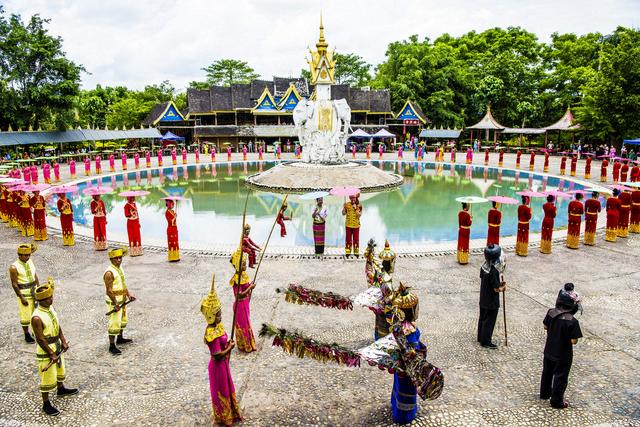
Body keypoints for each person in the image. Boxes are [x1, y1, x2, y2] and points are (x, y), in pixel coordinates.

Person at [31, 278, 78, 416]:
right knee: (47, 376)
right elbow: (40, 338)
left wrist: (63, 340)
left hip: (56, 344)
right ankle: (46, 403)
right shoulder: (37, 317)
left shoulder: (50, 308)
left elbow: (57, 325)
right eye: (47, 299)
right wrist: (51, 353)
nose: (50, 300)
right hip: (46, 348)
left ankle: (61, 388)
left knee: (59, 369)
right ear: (40, 300)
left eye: (51, 297)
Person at [201, 274, 242, 426]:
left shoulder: (219, 327)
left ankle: (231, 413)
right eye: (218, 314)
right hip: (217, 366)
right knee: (222, 391)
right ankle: (224, 417)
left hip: (223, 365)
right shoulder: (210, 332)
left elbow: (223, 344)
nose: (220, 316)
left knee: (228, 387)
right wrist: (230, 347)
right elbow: (217, 355)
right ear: (211, 316)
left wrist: (228, 343)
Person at [540, 283, 583, 409]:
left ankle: (545, 393)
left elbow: (545, 326)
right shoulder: (572, 321)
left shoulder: (551, 313)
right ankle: (556, 401)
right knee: (560, 376)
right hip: (563, 354)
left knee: (547, 372)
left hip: (549, 349)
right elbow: (573, 341)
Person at [104, 247, 136, 355]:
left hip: (122, 298)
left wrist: (128, 295)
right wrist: (115, 303)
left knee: (122, 320)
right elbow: (109, 291)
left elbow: (123, 284)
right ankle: (112, 345)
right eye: (116, 258)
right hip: (114, 301)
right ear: (111, 259)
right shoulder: (109, 273)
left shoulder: (120, 268)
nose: (119, 260)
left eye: (120, 258)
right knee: (114, 322)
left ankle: (120, 338)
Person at [9, 243, 40, 343]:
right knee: (25, 315)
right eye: (25, 255)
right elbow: (14, 284)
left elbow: (35, 275)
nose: (27, 257)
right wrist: (21, 297)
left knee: (36, 312)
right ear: (20, 255)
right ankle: (26, 334)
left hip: (34, 290)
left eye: (29, 255)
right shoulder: (14, 267)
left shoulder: (30, 262)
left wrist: (39, 288)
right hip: (24, 293)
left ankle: (36, 332)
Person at [478, 244, 506, 349]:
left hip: (483, 297)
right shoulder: (494, 271)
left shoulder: (484, 266)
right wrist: (502, 287)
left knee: (482, 318)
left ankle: (480, 337)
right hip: (491, 300)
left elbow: (483, 279)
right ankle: (486, 341)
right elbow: (496, 288)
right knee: (489, 321)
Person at [229, 247, 257, 353]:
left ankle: (247, 344)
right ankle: (245, 345)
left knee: (247, 323)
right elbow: (238, 295)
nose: (246, 265)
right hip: (239, 306)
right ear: (238, 266)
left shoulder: (244, 275)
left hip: (245, 303)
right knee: (244, 325)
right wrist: (250, 288)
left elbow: (246, 288)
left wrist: (250, 285)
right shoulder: (236, 279)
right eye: (243, 264)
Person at [342, 193, 363, 257]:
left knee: (356, 239)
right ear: (350, 198)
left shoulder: (359, 205)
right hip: (348, 225)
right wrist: (344, 208)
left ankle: (356, 253)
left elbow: (359, 215)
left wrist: (355, 208)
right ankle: (348, 252)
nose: (353, 199)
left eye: (354, 198)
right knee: (348, 239)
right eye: (351, 198)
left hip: (356, 226)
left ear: (356, 198)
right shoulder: (347, 204)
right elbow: (343, 213)